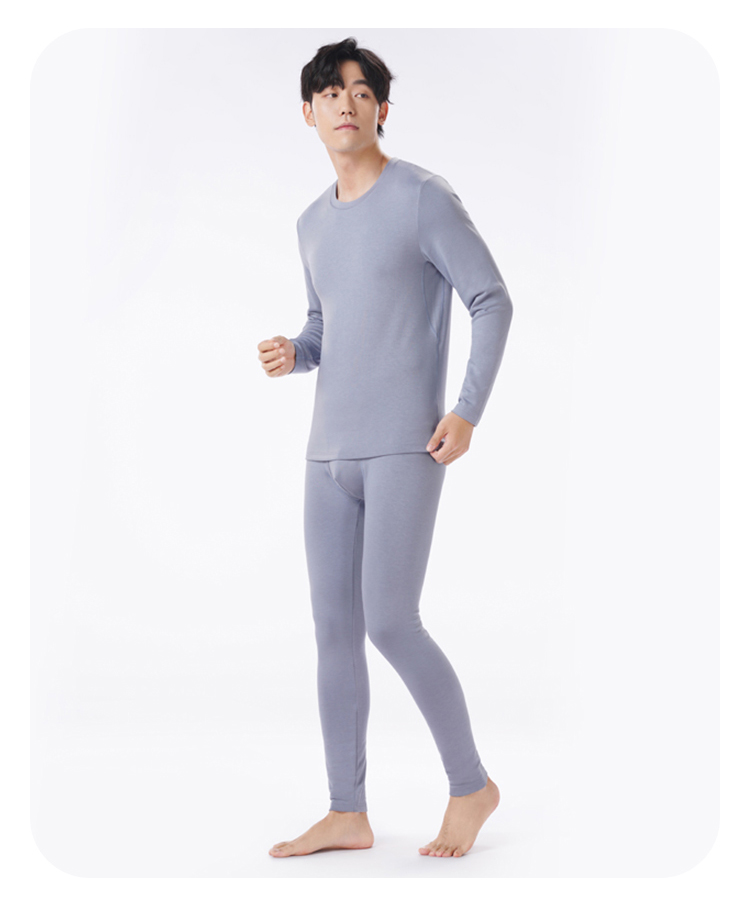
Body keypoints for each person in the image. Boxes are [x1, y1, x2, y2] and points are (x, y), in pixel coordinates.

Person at [258, 37, 513, 859]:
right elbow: (326, 324)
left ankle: (471, 786)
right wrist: (296, 351)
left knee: (393, 621)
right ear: (309, 112)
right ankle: (347, 810)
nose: (346, 102)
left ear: (381, 109)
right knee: (334, 628)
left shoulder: (422, 198)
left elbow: (491, 299)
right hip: (325, 456)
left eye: (361, 91)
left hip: (406, 447)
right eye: (331, 92)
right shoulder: (309, 223)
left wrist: (466, 411)